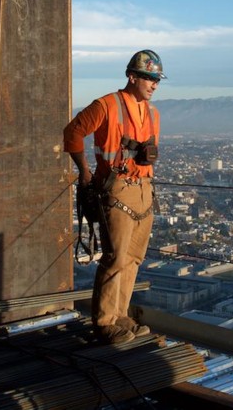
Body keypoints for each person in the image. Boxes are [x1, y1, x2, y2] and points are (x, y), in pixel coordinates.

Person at [64, 50, 166, 344]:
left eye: (156, 79)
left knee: (133, 258)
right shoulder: (107, 105)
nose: (153, 84)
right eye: (148, 78)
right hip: (117, 187)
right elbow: (72, 133)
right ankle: (105, 322)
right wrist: (84, 172)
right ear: (132, 76)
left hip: (145, 189)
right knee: (116, 257)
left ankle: (120, 316)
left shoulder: (153, 113)